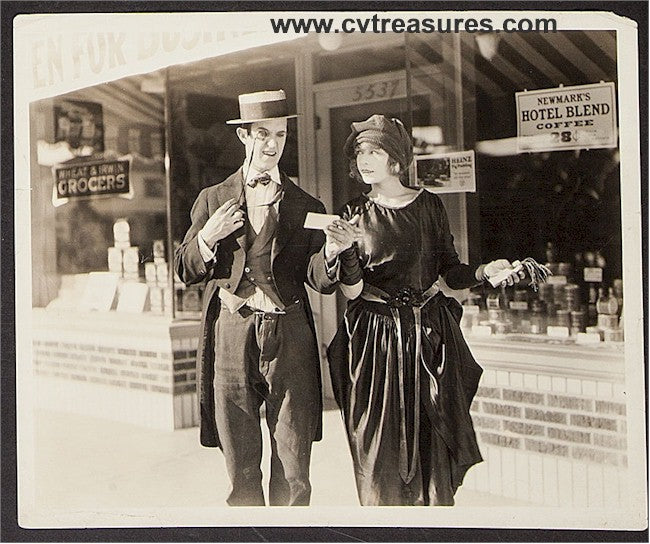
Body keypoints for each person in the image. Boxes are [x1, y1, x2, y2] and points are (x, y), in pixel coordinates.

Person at [308, 114, 523, 506]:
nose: (365, 160)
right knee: (377, 453)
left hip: (428, 340)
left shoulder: (429, 206)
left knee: (432, 448)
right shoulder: (353, 212)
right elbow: (353, 291)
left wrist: (482, 271)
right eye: (360, 153)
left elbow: (450, 272)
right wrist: (343, 251)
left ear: (396, 160)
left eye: (374, 151)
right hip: (374, 345)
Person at [175, 90, 326, 506]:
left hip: (290, 333)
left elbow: (319, 280)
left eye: (280, 133)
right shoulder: (212, 199)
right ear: (244, 136)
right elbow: (185, 269)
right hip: (232, 330)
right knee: (240, 466)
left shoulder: (306, 205)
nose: (272, 144)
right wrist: (209, 236)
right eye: (263, 133)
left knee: (295, 468)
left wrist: (331, 253)